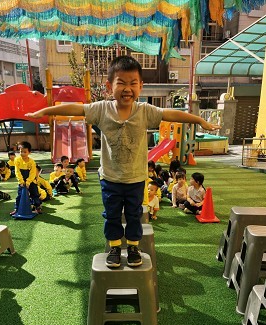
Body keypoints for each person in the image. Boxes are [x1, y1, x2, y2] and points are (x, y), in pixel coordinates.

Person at [25, 55, 220, 268]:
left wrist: (199, 120)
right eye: (121, 83)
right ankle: (115, 247)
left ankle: (134, 247)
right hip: (110, 179)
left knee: (135, 215)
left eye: (133, 83)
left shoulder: (145, 111)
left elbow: (171, 114)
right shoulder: (101, 109)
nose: (128, 88)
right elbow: (75, 109)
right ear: (110, 86)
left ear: (141, 86)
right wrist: (45, 112)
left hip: (136, 179)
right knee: (112, 215)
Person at [12, 141, 43, 215]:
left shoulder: (32, 162)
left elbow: (32, 173)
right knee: (20, 195)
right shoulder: (17, 160)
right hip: (21, 181)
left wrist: (28, 182)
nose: (22, 153)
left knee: (34, 193)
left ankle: (37, 207)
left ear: (29, 152)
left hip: (31, 181)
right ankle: (17, 208)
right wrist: (21, 181)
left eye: (25, 152)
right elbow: (17, 171)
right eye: (21, 151)